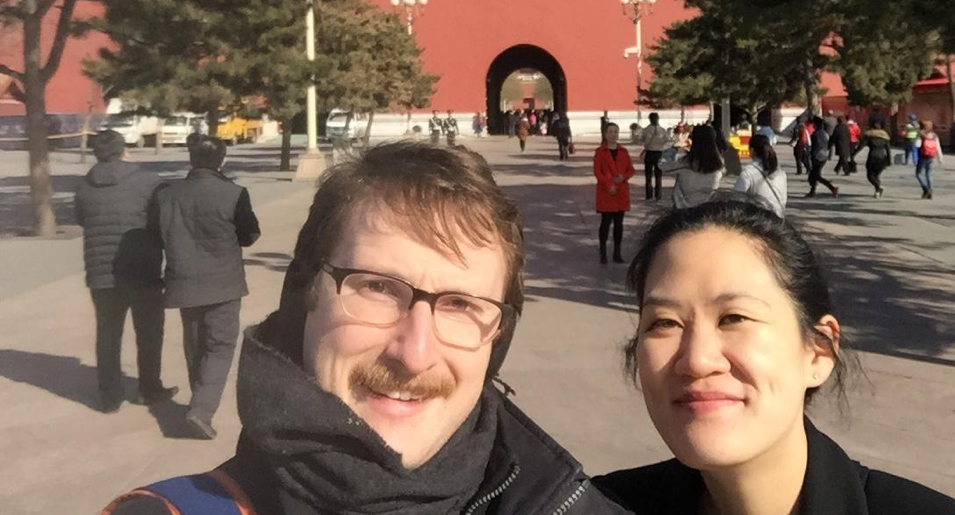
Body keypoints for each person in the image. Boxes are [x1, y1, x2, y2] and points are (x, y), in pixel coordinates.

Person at [106, 143, 628, 515]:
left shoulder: (568, 504)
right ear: (303, 296)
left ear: (498, 340)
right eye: (378, 288)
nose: (414, 352)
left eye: (461, 304)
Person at [594, 202, 955, 515]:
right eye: (664, 323)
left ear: (819, 349)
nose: (697, 360)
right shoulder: (595, 507)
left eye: (734, 317)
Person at [154, 135, 260, 439]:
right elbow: (249, 234)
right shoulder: (234, 193)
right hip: (224, 283)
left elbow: (158, 232)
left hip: (184, 281)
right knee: (220, 346)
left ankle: (198, 401)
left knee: (196, 345)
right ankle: (201, 409)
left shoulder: (168, 194)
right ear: (222, 161)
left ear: (191, 158)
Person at [74, 130, 176, 413]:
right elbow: (162, 221)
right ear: (123, 150)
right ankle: (148, 388)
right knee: (149, 331)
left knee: (107, 333)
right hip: (143, 267)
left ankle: (109, 396)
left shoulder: (84, 185)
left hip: (100, 270)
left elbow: (82, 219)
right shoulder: (149, 182)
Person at [593, 122, 635, 264]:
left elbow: (631, 169)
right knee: (605, 223)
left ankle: (617, 252)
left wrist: (624, 177)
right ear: (605, 134)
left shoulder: (624, 152)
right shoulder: (600, 152)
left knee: (619, 224)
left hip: (621, 191)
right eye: (610, 131)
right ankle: (603, 252)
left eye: (615, 132)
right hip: (606, 193)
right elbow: (597, 172)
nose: (613, 134)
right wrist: (608, 184)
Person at [662, 124, 725, 210]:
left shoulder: (685, 162)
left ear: (694, 140)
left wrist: (675, 147)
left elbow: (662, 165)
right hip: (707, 209)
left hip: (684, 209)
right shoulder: (719, 163)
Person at [733, 133, 788, 218]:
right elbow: (783, 200)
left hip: (759, 220)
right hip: (778, 218)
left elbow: (735, 198)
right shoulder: (780, 172)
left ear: (752, 150)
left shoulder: (748, 173)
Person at [852, 114, 893, 197]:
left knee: (870, 176)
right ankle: (877, 191)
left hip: (872, 157)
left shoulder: (869, 135)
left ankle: (878, 187)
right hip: (882, 158)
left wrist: (853, 155)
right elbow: (888, 149)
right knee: (876, 175)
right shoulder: (885, 136)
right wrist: (889, 160)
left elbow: (860, 147)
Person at [807, 116, 839, 198]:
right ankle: (812, 191)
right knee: (814, 174)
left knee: (816, 175)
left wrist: (810, 154)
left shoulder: (816, 134)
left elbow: (814, 146)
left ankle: (832, 188)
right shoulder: (825, 133)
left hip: (817, 156)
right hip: (824, 155)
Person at [641, 112, 669, 201]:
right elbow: (666, 141)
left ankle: (649, 195)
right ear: (658, 119)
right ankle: (658, 195)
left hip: (649, 153)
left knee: (648, 176)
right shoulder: (663, 130)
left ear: (649, 119)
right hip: (659, 154)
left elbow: (642, 140)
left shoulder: (645, 130)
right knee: (659, 176)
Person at [915, 119, 944, 199]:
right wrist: (940, 158)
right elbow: (938, 147)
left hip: (922, 156)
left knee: (918, 174)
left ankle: (926, 189)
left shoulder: (921, 134)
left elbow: (917, 145)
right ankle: (930, 190)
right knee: (929, 174)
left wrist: (917, 138)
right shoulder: (934, 135)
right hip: (931, 156)